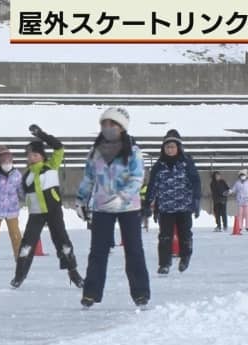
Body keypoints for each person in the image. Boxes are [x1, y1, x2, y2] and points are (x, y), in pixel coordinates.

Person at [75, 107, 150, 308]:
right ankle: (91, 292)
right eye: (105, 124)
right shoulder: (95, 152)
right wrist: (81, 200)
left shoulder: (133, 151)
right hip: (102, 207)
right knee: (98, 251)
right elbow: (89, 178)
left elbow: (137, 178)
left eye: (113, 124)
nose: (108, 128)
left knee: (134, 250)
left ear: (122, 128)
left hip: (128, 208)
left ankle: (141, 292)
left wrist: (123, 197)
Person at [10, 124, 84, 289]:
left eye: (35, 154)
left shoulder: (51, 165)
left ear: (42, 156)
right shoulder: (27, 175)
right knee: (27, 245)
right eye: (29, 155)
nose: (32, 158)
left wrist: (42, 135)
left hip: (53, 211)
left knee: (63, 243)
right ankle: (19, 275)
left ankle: (73, 272)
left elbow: (58, 147)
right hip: (36, 214)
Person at [144, 129, 201, 274]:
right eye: (167, 147)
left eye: (173, 147)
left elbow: (196, 182)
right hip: (165, 208)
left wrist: (196, 200)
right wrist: (148, 204)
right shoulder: (159, 166)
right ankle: (164, 263)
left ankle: (185, 257)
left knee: (185, 234)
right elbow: (152, 187)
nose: (170, 150)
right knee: (164, 236)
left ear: (178, 148)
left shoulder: (187, 163)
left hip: (184, 207)